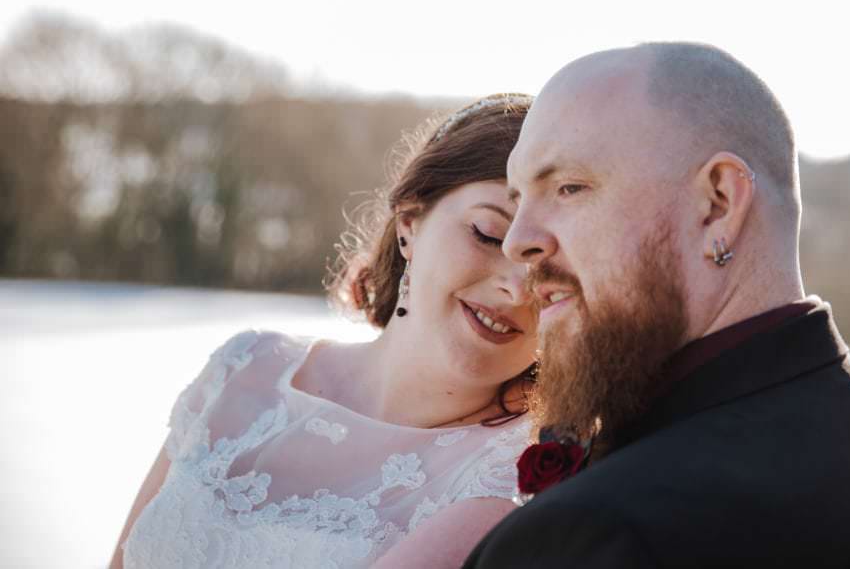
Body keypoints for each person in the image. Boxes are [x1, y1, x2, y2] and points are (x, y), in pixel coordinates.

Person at [463, 44, 850, 568]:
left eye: (569, 188)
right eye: (516, 200)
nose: (518, 243)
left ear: (718, 204)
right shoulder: (840, 418)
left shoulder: (605, 532)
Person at [110, 94, 540, 569]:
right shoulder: (244, 366)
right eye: (488, 234)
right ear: (410, 223)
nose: (517, 289)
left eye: (551, 268)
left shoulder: (517, 473)